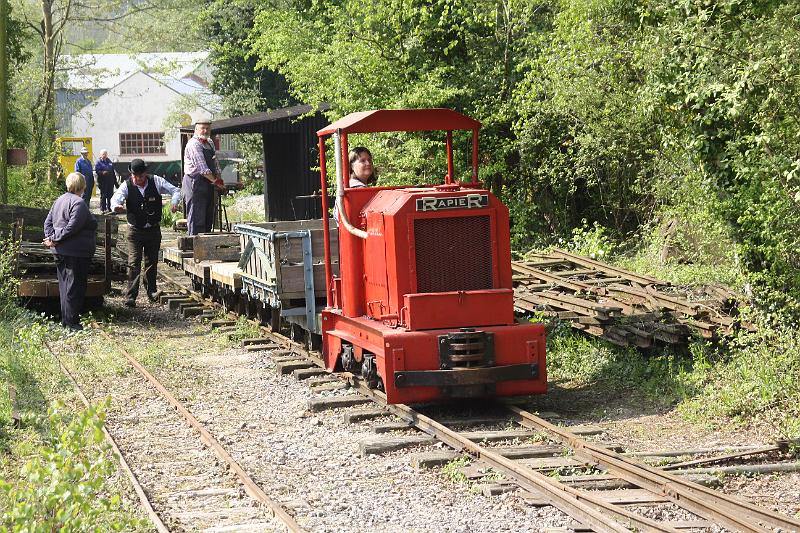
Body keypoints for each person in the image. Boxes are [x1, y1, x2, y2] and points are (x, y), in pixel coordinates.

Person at [111, 158, 181, 307]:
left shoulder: (156, 181)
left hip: (153, 229)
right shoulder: (127, 185)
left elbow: (175, 190)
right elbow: (115, 199)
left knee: (152, 261)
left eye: (140, 176)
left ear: (145, 173)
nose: (138, 179)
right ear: (132, 175)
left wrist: (174, 202)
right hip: (135, 231)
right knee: (134, 262)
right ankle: (131, 296)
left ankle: (151, 291)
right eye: (135, 176)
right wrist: (117, 206)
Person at [43, 172, 98, 331]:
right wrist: (54, 239)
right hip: (76, 252)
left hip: (60, 251)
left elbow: (48, 223)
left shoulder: (59, 200)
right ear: (83, 186)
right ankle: (71, 323)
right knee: (75, 287)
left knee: (65, 286)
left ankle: (67, 321)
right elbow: (72, 228)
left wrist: (51, 238)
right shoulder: (79, 203)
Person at [182, 118, 224, 235]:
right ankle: (194, 247)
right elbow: (202, 168)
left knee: (208, 217)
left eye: (207, 128)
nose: (205, 131)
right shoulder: (194, 144)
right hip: (195, 182)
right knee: (197, 218)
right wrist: (216, 182)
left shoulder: (209, 142)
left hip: (208, 183)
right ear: (196, 129)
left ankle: (206, 247)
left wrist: (219, 178)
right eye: (202, 128)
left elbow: (215, 163)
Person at [333, 147, 375, 219]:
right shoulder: (356, 189)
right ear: (352, 166)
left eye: (369, 160)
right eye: (362, 161)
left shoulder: (351, 185)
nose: (368, 163)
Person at [95, 149, 116, 214]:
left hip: (110, 182)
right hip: (103, 181)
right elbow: (97, 171)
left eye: (106, 154)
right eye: (103, 154)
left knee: (110, 195)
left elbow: (112, 171)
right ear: (100, 155)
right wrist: (103, 172)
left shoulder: (109, 161)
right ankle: (102, 209)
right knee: (103, 195)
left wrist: (115, 182)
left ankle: (110, 208)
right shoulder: (98, 162)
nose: (105, 155)